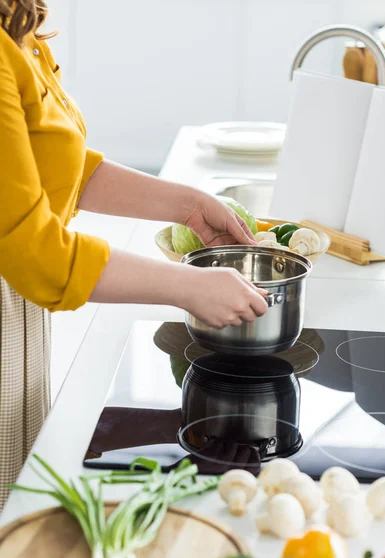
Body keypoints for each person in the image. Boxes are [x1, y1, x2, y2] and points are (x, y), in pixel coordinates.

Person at [0, 1, 267, 509]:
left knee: (17, 488)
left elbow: (48, 170)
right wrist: (189, 287)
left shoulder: (17, 26)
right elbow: (36, 253)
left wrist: (185, 204)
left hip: (17, 305)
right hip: (15, 279)